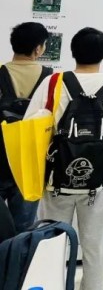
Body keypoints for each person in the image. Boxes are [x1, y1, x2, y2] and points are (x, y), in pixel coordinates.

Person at [24, 28, 103, 290]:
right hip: (98, 184)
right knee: (95, 247)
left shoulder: (53, 83)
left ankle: (52, 285)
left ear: (72, 51)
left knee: (52, 244)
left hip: (56, 181)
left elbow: (29, 127)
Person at [0, 22, 50, 231]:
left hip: (2, 155)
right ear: (38, 49)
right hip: (31, 161)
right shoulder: (51, 79)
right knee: (24, 228)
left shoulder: (1, 72)